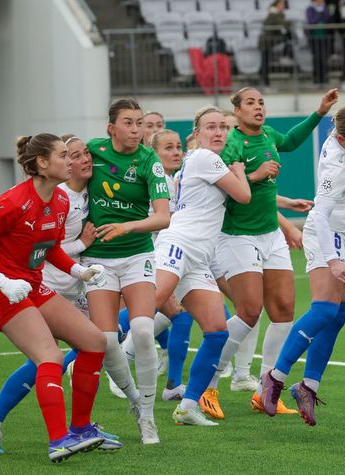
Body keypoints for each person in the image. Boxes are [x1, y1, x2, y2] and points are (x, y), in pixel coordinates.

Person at [0, 133, 110, 463]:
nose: (71, 161)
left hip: (32, 286)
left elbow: (51, 248)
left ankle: (82, 429)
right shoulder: (11, 202)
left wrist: (79, 272)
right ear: (42, 164)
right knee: (50, 358)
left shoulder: (60, 200)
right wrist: (3, 282)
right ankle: (58, 441)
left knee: (95, 341)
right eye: (63, 156)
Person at [199, 87, 338, 420]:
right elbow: (223, 186)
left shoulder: (269, 135)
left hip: (270, 235)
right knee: (248, 312)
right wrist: (254, 175)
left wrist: (319, 112)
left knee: (284, 311)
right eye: (250, 103)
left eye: (261, 102)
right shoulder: (231, 143)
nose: (258, 107)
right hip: (236, 236)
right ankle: (208, 385)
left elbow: (290, 140)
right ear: (238, 110)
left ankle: (266, 391)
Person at [260, 105, 345, 424]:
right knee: (325, 309)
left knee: (339, 315)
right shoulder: (336, 168)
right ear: (342, 139)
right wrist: (332, 260)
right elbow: (320, 217)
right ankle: (274, 376)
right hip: (328, 232)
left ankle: (308, 385)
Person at [149, 106, 252, 426]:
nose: (219, 132)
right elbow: (244, 196)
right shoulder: (207, 158)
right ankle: (100, 355)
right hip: (178, 244)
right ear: (197, 134)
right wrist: (240, 171)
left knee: (217, 331)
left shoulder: (201, 160)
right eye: (211, 127)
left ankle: (187, 405)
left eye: (223, 127)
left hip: (199, 256)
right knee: (147, 310)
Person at [81, 98, 171, 445]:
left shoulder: (150, 160)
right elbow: (69, 180)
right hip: (97, 260)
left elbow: (163, 217)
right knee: (105, 340)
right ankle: (136, 400)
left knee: (144, 331)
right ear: (111, 128)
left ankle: (148, 418)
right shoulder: (92, 151)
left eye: (140, 123)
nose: (137, 130)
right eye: (130, 123)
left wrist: (128, 227)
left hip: (136, 255)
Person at [116, 129, 193, 403]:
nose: (176, 152)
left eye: (178, 147)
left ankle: (173, 385)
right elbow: (162, 221)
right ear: (153, 153)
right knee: (135, 317)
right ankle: (101, 353)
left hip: (173, 256)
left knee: (182, 316)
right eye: (168, 148)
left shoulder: (173, 180)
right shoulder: (156, 180)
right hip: (154, 257)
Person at [259, 0, 294, 88]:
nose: (283, 6)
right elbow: (284, 23)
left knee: (265, 62)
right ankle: (265, 83)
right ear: (277, 5)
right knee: (265, 63)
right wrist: (291, 22)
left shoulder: (274, 13)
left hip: (268, 41)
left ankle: (265, 82)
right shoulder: (275, 14)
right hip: (266, 42)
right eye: (281, 4)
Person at [306, 0, 333, 85]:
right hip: (314, 38)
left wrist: (322, 14)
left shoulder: (325, 8)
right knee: (317, 58)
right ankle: (317, 78)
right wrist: (319, 15)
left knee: (324, 57)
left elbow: (328, 18)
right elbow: (311, 21)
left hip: (324, 37)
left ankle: (324, 77)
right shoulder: (310, 9)